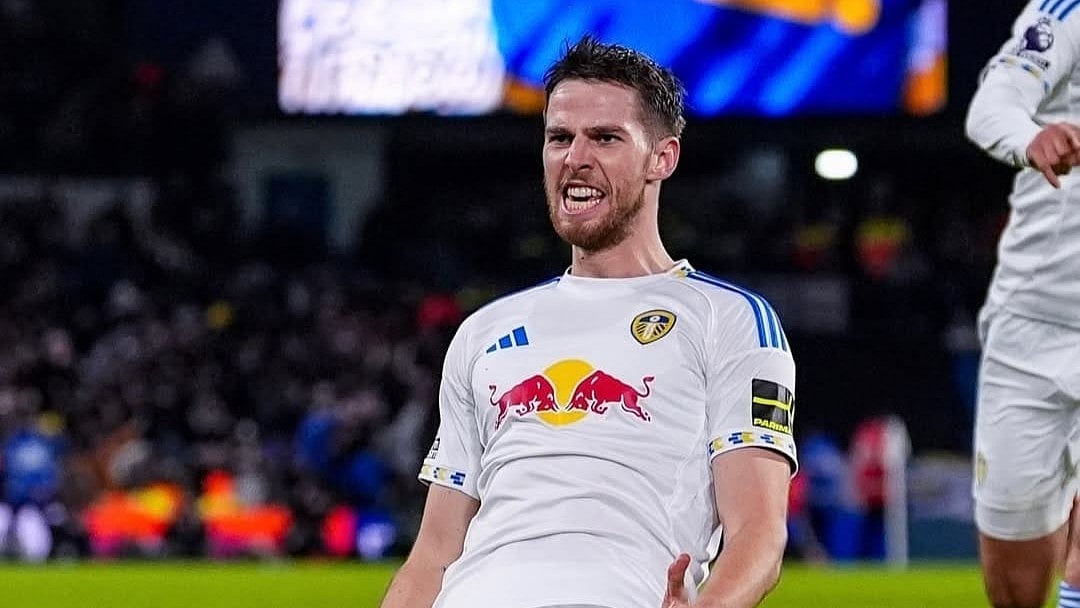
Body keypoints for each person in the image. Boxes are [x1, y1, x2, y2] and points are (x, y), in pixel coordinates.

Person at [379, 36, 796, 608]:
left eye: (605, 137)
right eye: (559, 138)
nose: (575, 157)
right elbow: (432, 556)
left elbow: (760, 535)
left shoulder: (730, 321)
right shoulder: (482, 332)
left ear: (662, 158)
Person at [966, 3, 1080, 607]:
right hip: (1031, 323)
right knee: (1012, 582)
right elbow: (994, 103)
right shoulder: (1066, 13)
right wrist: (1030, 137)